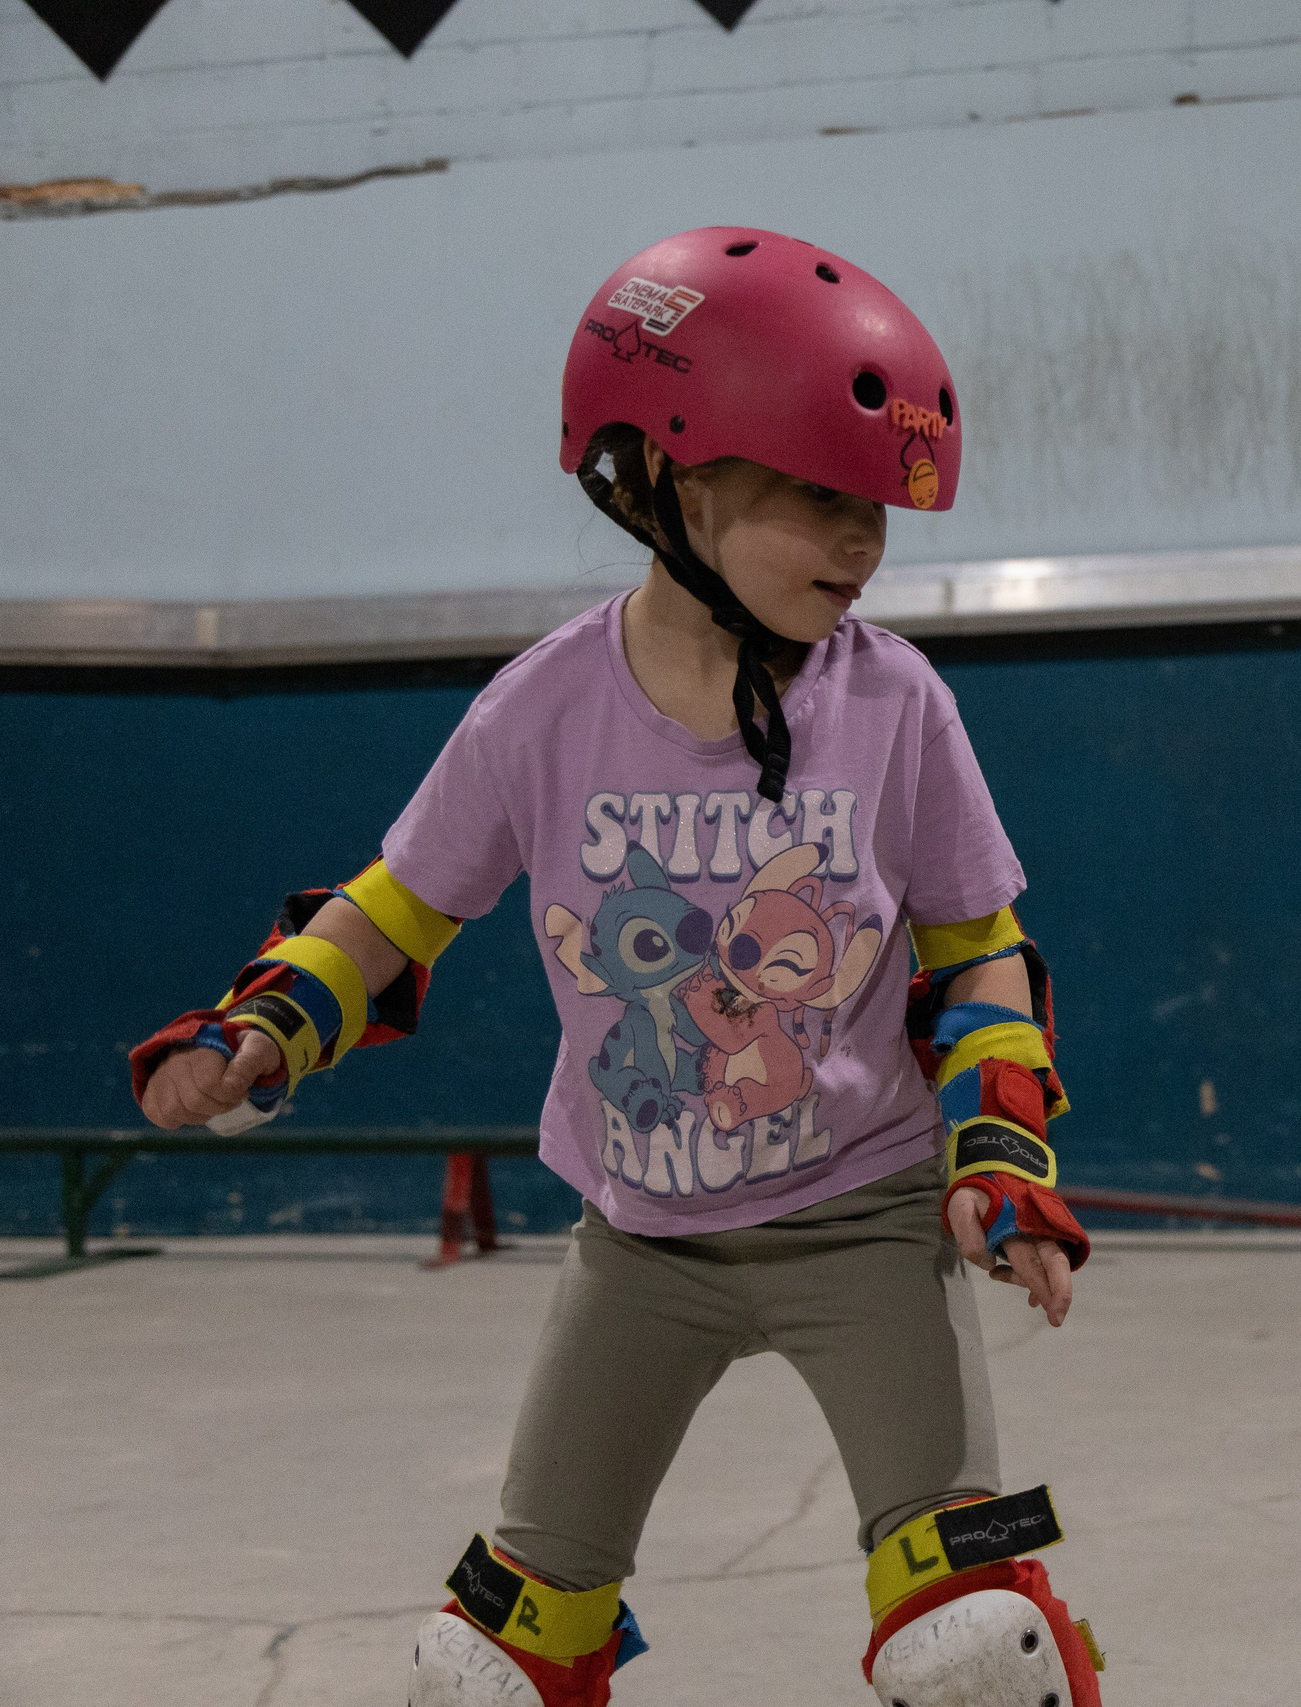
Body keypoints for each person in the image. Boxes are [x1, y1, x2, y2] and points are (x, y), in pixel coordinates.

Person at [129, 228, 1108, 1707]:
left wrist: (998, 1153)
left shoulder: (895, 701)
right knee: (488, 1665)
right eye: (820, 501)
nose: (861, 545)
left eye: (878, 515)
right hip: (639, 1242)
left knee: (975, 1642)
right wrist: (264, 1029)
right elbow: (396, 911)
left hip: (867, 1227)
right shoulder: (543, 711)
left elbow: (980, 953)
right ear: (679, 483)